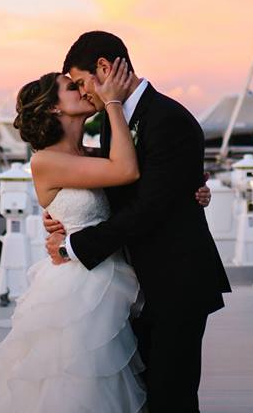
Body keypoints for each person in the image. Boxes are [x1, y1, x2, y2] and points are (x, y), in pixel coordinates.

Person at [0, 57, 213, 412]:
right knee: (77, 385)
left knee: (128, 383)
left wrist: (193, 188)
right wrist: (112, 101)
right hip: (76, 289)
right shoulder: (44, 160)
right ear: (53, 107)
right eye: (72, 87)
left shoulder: (94, 151)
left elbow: (146, 180)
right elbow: (126, 170)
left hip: (118, 279)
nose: (84, 90)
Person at [45, 31, 231, 412]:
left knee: (172, 396)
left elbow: (149, 208)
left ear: (103, 68)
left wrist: (76, 244)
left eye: (82, 83)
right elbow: (113, 185)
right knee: (146, 395)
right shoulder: (113, 120)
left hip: (176, 281)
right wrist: (62, 213)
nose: (83, 94)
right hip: (136, 284)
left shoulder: (168, 118)